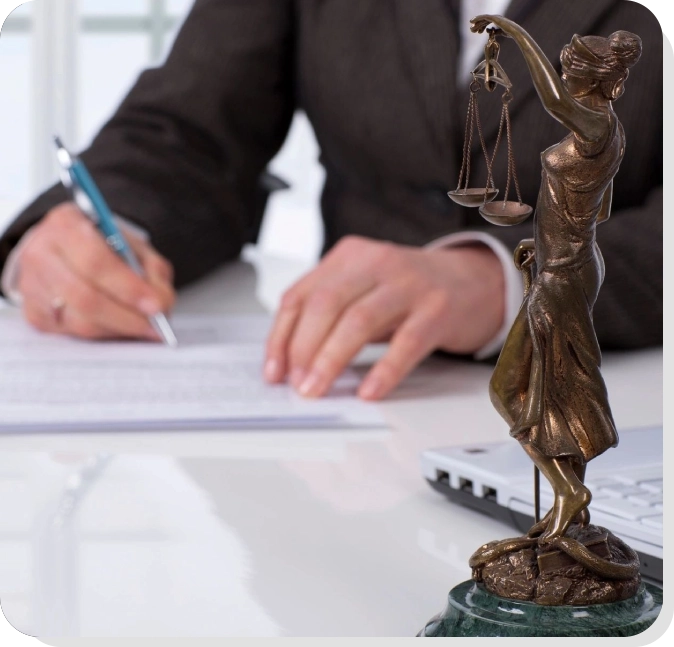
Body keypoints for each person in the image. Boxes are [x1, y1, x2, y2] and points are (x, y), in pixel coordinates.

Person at [0, 0, 662, 401]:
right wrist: (95, 226)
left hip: (621, 412)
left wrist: (506, 279)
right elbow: (188, 130)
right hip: (340, 421)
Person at [474, 15, 640, 543]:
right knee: (558, 389)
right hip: (569, 264)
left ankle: (567, 492)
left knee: (509, 391)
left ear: (583, 77)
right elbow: (600, 210)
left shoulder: (592, 124)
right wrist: (545, 243)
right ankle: (569, 507)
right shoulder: (605, 130)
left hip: (563, 277)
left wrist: (511, 31)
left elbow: (550, 100)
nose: (563, 76)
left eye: (569, 67)